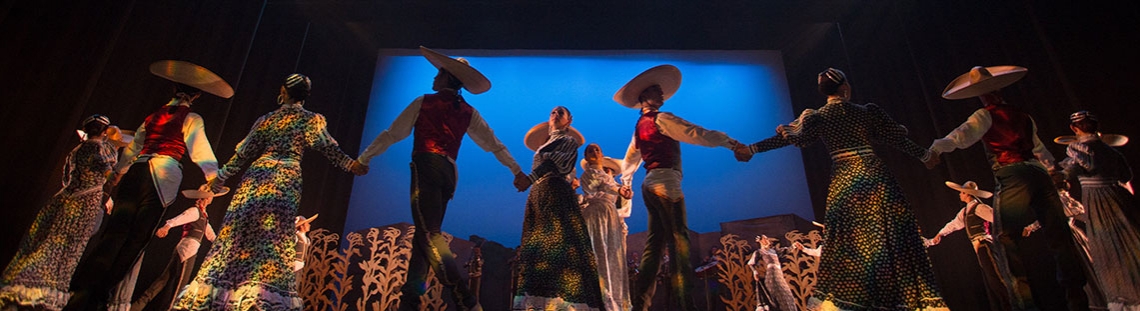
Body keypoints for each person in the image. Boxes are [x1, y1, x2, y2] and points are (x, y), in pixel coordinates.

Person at [740, 68, 947, 310]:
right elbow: (896, 139)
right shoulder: (865, 112)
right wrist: (925, 155)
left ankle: (857, 299)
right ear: (845, 87)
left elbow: (785, 139)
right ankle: (904, 298)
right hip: (875, 177)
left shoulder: (817, 117)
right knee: (891, 235)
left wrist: (751, 149)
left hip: (845, 181)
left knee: (850, 240)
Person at [172, 73, 367, 310]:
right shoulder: (311, 120)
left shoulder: (268, 119)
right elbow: (331, 150)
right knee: (272, 237)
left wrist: (218, 178)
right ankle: (257, 296)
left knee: (239, 235)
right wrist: (352, 165)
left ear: (283, 91)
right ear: (305, 96)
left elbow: (242, 155)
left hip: (257, 178)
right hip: (284, 181)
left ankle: (225, 294)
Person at [356, 47, 528, 311]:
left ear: (448, 78)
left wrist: (364, 158)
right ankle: (410, 301)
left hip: (427, 166)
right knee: (423, 238)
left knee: (429, 234)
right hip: (448, 175)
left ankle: (465, 298)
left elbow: (392, 134)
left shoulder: (425, 101)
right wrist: (516, 171)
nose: (434, 78)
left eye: (439, 74)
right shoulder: (468, 111)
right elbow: (494, 144)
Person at [64, 61, 231, 311]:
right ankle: (99, 295)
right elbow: (200, 150)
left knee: (114, 233)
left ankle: (80, 292)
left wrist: (118, 173)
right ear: (195, 96)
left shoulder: (153, 116)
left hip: (137, 172)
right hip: (161, 177)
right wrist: (213, 178)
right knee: (136, 239)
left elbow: (133, 148)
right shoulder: (191, 117)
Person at [929, 66, 1088, 311]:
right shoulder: (1022, 115)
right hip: (1037, 173)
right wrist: (1054, 172)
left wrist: (936, 148)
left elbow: (961, 136)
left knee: (1005, 238)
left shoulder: (985, 115)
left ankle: (1024, 304)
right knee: (1059, 237)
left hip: (1013, 174)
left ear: (980, 95)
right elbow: (1039, 149)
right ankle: (1077, 300)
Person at [615, 64, 745, 311]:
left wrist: (627, 182)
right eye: (656, 91)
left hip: (649, 185)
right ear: (645, 97)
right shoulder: (661, 119)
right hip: (665, 184)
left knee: (654, 246)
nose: (662, 95)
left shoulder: (639, 126)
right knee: (680, 242)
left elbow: (631, 158)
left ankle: (639, 305)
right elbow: (696, 133)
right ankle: (685, 304)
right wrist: (732, 143)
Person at [0, 115, 121, 310]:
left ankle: (23, 290)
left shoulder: (77, 150)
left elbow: (67, 178)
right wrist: (121, 162)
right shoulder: (99, 149)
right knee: (64, 248)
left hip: (66, 199)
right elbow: (110, 174)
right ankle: (34, 291)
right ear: (104, 132)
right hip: (82, 205)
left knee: (46, 242)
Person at [513, 106, 605, 310]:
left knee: (559, 247)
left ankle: (563, 303)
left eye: (560, 113)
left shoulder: (568, 141)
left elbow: (555, 164)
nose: (555, 114)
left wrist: (530, 179)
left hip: (556, 195)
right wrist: (531, 182)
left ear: (568, 121)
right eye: (552, 112)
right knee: (539, 249)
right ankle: (537, 302)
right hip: (539, 196)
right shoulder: (544, 145)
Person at [1057, 111, 1140, 311]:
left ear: (1074, 129)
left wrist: (1052, 173)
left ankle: (1126, 298)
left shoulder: (1078, 150)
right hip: (1120, 198)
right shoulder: (1111, 151)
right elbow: (1125, 175)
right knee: (1132, 240)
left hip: (1098, 201)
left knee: (1109, 249)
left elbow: (1068, 172)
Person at [925, 181, 1015, 311]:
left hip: (985, 244)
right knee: (993, 281)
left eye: (962, 192)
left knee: (997, 279)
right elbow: (954, 224)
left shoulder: (979, 208)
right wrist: (939, 234)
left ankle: (1012, 305)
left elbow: (998, 218)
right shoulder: (965, 211)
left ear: (967, 194)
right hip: (979, 247)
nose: (960, 195)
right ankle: (1007, 305)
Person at [129, 193, 218, 311]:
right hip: (187, 250)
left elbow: (210, 234)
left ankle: (136, 307)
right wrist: (167, 226)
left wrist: (220, 244)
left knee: (163, 280)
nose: (212, 197)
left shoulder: (203, 215)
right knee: (180, 286)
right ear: (206, 198)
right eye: (210, 195)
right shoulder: (194, 211)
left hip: (186, 248)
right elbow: (179, 218)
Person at [580, 143, 634, 311]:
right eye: (590, 150)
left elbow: (624, 204)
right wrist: (617, 190)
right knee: (598, 254)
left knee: (613, 257)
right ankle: (598, 299)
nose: (594, 152)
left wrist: (622, 192)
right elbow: (597, 186)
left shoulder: (611, 181)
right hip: (596, 216)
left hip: (611, 218)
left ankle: (614, 299)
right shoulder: (589, 175)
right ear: (587, 157)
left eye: (597, 149)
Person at [746, 236, 799, 311]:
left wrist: (793, 246)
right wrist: (755, 271)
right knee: (778, 296)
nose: (767, 240)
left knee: (787, 295)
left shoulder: (773, 250)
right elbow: (750, 263)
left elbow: (785, 251)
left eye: (767, 238)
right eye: (764, 238)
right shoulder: (759, 252)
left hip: (779, 275)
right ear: (760, 241)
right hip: (772, 276)